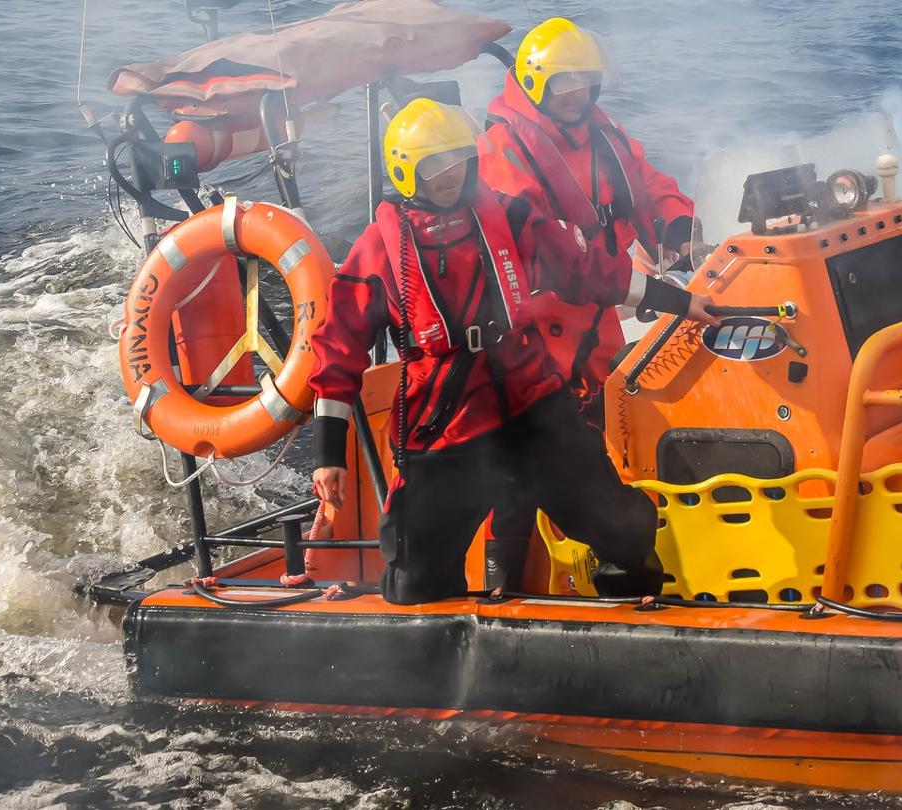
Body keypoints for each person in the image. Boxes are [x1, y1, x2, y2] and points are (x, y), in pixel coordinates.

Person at [307, 99, 716, 605]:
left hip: (533, 407)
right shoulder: (378, 251)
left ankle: (634, 608)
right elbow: (338, 350)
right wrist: (329, 456)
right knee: (415, 580)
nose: (450, 175)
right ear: (406, 171)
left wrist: (680, 302)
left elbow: (586, 270)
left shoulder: (509, 217)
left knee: (621, 525)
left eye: (459, 160)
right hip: (446, 427)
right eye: (434, 166)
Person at [477, 16, 701, 428]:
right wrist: (651, 292)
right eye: (565, 82)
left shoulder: (600, 131)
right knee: (567, 435)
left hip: (602, 309)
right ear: (535, 83)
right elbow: (543, 252)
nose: (578, 93)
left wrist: (679, 228)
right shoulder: (505, 152)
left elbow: (647, 185)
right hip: (540, 330)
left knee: (617, 418)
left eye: (586, 80)